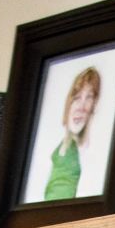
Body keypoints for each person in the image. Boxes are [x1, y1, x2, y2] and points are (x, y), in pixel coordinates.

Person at [43, 66, 101, 201]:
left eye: (89, 97)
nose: (81, 106)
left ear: (95, 104)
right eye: (76, 97)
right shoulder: (61, 147)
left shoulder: (89, 151)